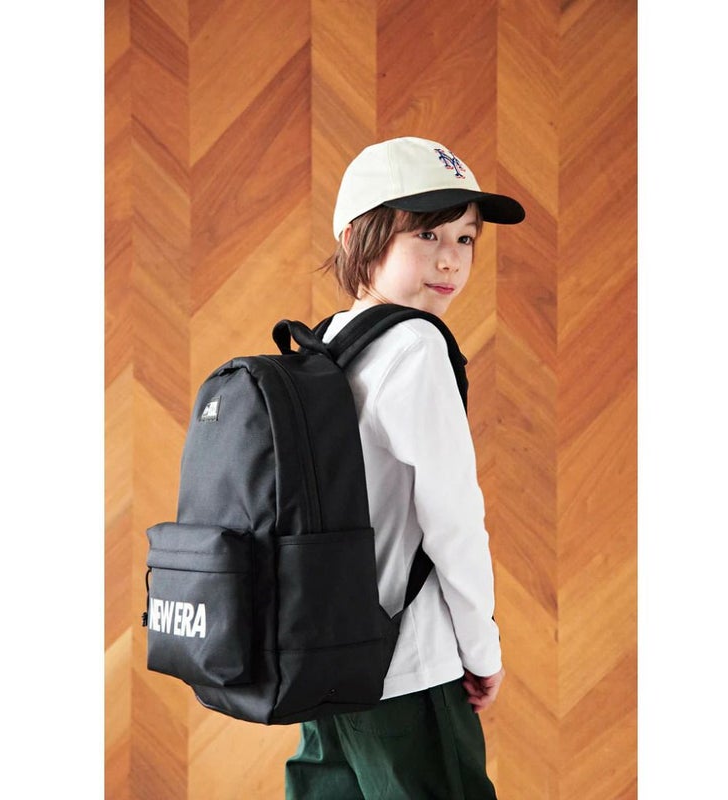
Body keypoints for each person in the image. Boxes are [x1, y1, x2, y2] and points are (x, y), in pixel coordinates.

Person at [284, 136, 525, 799]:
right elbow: (454, 523)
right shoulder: (416, 346)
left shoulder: (328, 341)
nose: (451, 258)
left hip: (326, 661)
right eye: (427, 234)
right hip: (409, 666)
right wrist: (482, 650)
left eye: (465, 238)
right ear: (357, 237)